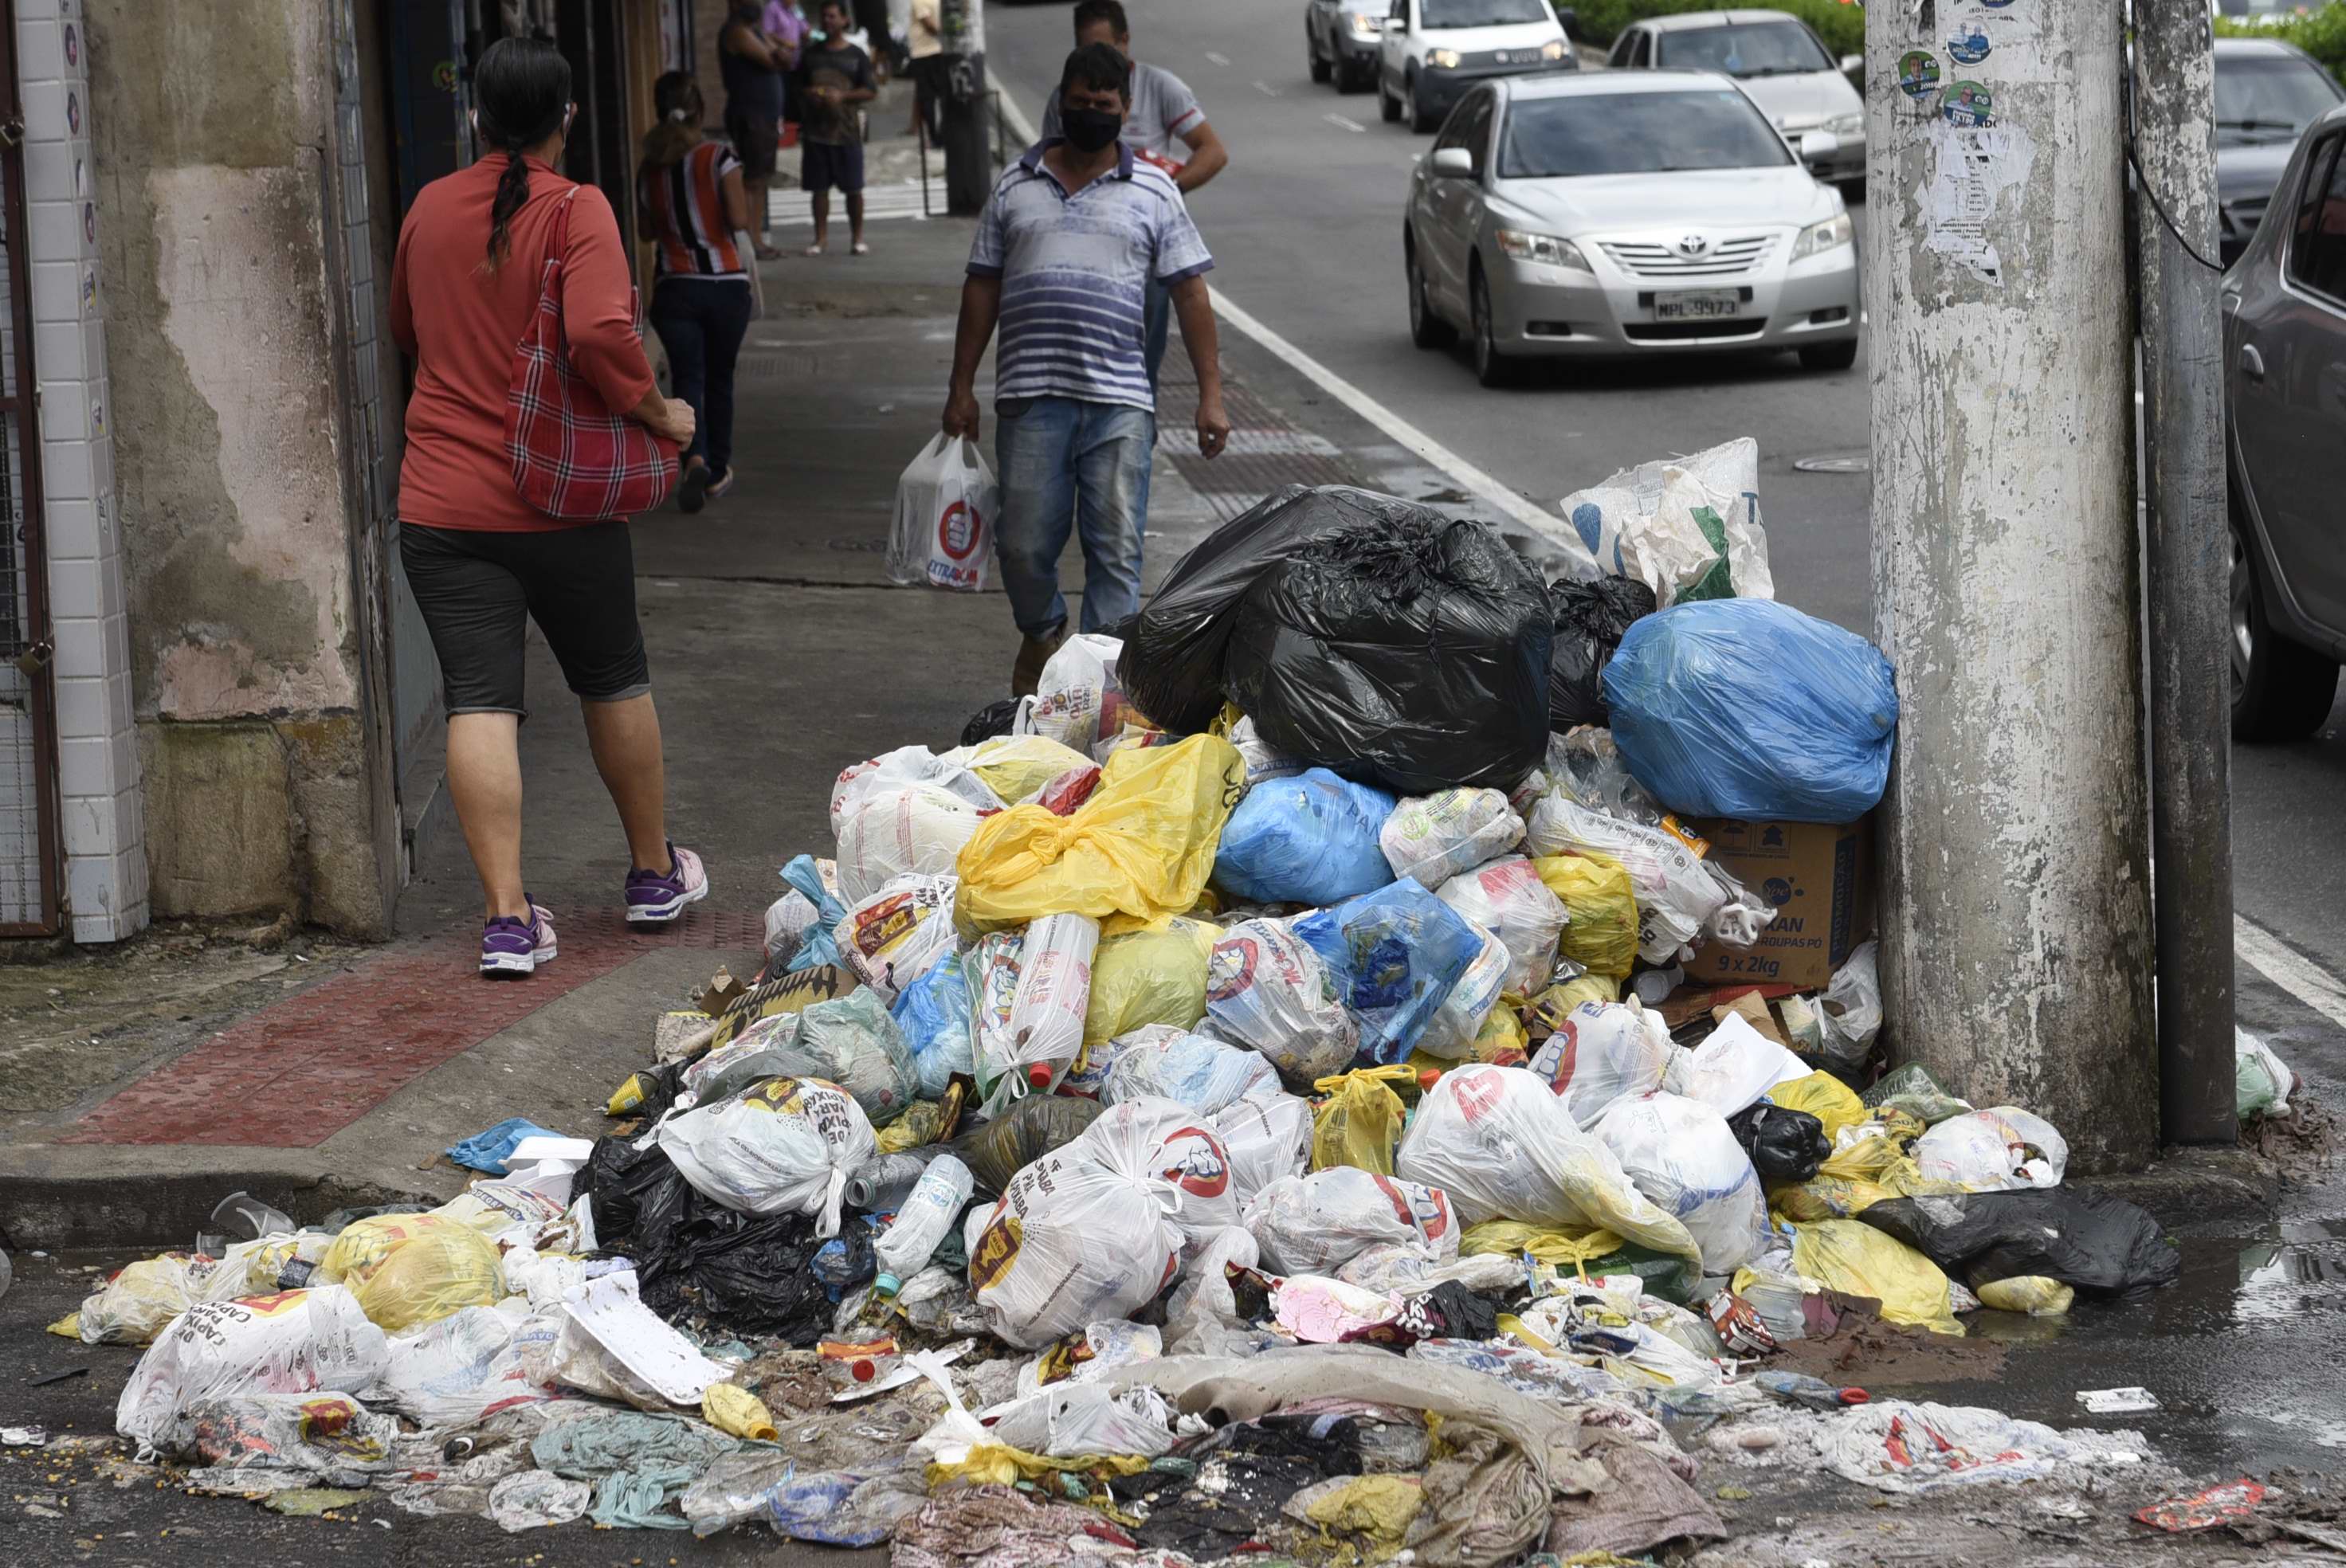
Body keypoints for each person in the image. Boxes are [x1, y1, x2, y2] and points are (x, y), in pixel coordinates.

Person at [389, 37, 709, 978]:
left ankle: (505, 921)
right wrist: (658, 413)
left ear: (477, 117)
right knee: (611, 677)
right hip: (559, 502)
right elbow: (603, 332)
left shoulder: (426, 210)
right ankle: (653, 874)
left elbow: (408, 331)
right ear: (566, 120)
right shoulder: (578, 210)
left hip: (444, 504)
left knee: (479, 702)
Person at [943, 42, 1232, 696]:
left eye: (1104, 106)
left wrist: (1210, 396)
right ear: (1061, 106)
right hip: (1030, 395)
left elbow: (1190, 294)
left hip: (1120, 400)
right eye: (1080, 104)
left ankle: (1101, 684)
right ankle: (1042, 630)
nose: (1092, 114)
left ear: (1124, 111)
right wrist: (960, 387)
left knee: (1116, 550)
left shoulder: (1156, 190)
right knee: (1020, 543)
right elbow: (981, 288)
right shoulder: (1015, 187)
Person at [1039, 0, 1229, 389]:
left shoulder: (1160, 87)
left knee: (1142, 360)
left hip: (1142, 248)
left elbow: (1213, 151)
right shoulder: (1063, 100)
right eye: (1083, 49)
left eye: (1105, 48)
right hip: (1078, 244)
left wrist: (1162, 190)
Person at [638, 72, 754, 513]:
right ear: (700, 110)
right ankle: (718, 471)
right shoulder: (720, 158)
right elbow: (739, 220)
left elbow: (647, 232)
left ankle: (695, 458)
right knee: (720, 378)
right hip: (725, 286)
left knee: (688, 379)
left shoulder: (649, 167)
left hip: (675, 289)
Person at [798, 1, 877, 256]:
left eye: (833, 16)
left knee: (854, 189)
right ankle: (820, 239)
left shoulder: (856, 55)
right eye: (825, 16)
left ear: (844, 20)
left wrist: (843, 97)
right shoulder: (811, 54)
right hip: (816, 131)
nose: (828, 21)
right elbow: (798, 86)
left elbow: (870, 90)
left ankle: (858, 238)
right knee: (819, 190)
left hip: (847, 131)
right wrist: (812, 93)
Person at [720, 2, 794, 260]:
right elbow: (772, 60)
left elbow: (786, 56)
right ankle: (751, 241)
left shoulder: (757, 31)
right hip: (750, 115)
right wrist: (778, 53)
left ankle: (757, 238)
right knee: (752, 179)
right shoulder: (736, 31)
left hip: (764, 116)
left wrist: (779, 52)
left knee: (760, 179)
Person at [904, 0, 945, 145]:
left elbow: (931, 25)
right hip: (927, 52)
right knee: (932, 96)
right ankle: (936, 135)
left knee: (928, 97)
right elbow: (931, 25)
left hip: (927, 52)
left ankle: (936, 137)